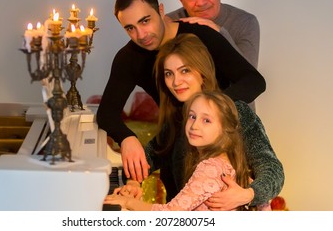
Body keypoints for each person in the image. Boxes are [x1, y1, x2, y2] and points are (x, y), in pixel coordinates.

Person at [97, 0, 266, 188]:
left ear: (160, 10)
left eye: (145, 21)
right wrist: (126, 139)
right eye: (130, 28)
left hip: (223, 153)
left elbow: (254, 80)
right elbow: (107, 113)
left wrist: (211, 109)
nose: (141, 34)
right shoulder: (129, 58)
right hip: (176, 154)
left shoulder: (201, 35)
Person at [114, 34, 283, 210]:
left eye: (185, 70)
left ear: (202, 72)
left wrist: (247, 194)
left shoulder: (235, 111)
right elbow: (151, 155)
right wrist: (134, 182)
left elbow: (272, 168)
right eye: (169, 74)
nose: (176, 82)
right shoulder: (180, 116)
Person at [104, 90, 270, 211]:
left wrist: (127, 203)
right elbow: (264, 205)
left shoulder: (211, 168)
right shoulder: (231, 160)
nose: (195, 125)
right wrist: (133, 182)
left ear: (225, 129)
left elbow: (171, 215)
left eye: (206, 120)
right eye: (192, 116)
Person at [167, 0, 260, 68]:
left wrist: (219, 32)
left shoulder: (245, 22)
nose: (201, 2)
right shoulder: (169, 23)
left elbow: (250, 77)